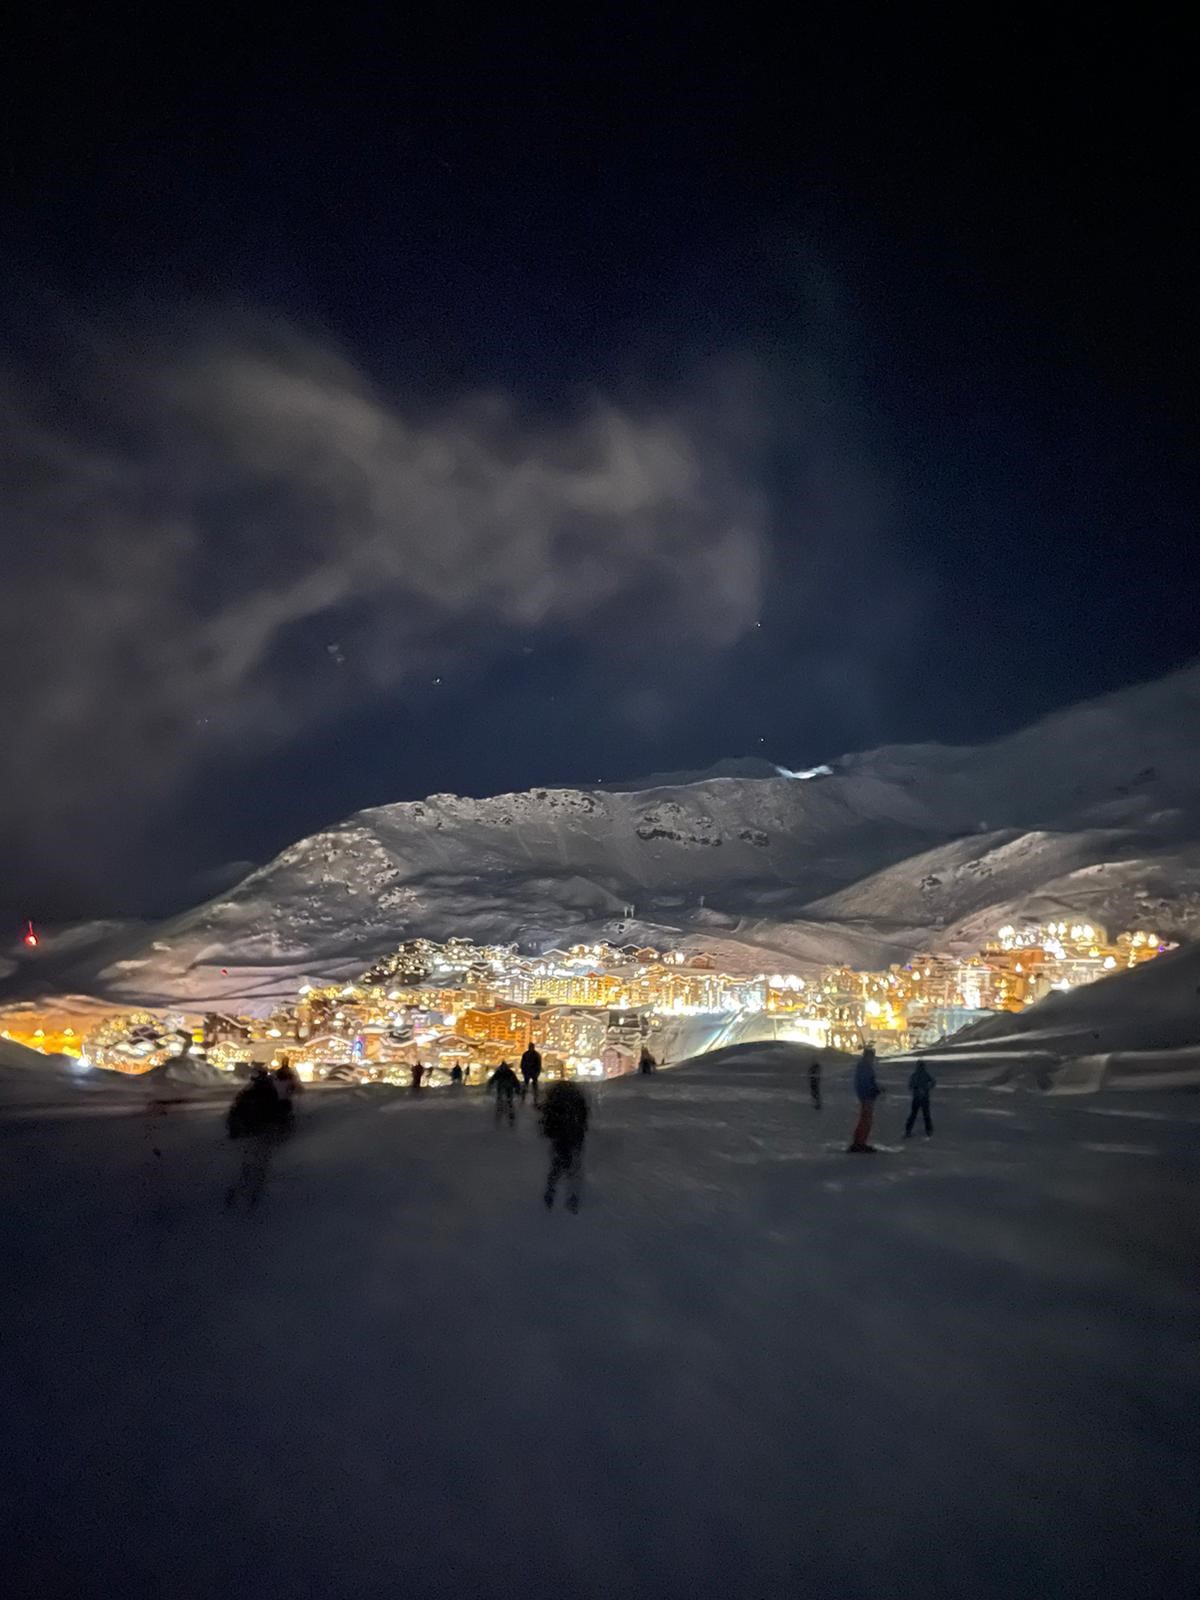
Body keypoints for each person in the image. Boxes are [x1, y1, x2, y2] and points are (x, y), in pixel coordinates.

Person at [225, 1066, 288, 1208]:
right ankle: (254, 1197)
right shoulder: (270, 1093)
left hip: (248, 1134)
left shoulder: (247, 1093)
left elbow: (235, 1112)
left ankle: (239, 1193)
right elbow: (278, 1113)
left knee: (247, 1166)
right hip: (262, 1134)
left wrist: (234, 1131)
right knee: (259, 1167)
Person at [540, 1079, 589, 1212]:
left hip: (560, 1136)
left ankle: (551, 1191)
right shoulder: (577, 1098)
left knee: (557, 1164)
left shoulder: (554, 1100)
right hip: (575, 1135)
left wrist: (548, 1132)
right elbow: (583, 1114)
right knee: (573, 1166)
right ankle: (573, 1196)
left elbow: (547, 1118)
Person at [848, 1043, 883, 1153]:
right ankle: (859, 1143)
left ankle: (860, 1142)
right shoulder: (864, 1067)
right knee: (865, 1120)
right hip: (867, 1096)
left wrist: (876, 1089)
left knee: (866, 1120)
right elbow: (865, 1083)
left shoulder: (865, 1066)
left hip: (868, 1096)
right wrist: (872, 1091)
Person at [905, 1059, 936, 1137]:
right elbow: (933, 1082)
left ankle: (908, 1130)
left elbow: (910, 1086)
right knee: (926, 1114)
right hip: (924, 1097)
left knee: (913, 1114)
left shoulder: (914, 1075)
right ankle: (929, 1130)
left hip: (916, 1098)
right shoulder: (926, 1074)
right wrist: (928, 1087)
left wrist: (916, 1089)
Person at [488, 1060, 520, 1127]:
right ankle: (508, 1117)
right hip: (506, 1089)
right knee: (507, 1103)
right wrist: (517, 1088)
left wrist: (490, 1085)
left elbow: (493, 1079)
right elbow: (515, 1081)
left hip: (505, 1089)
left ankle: (501, 1117)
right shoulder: (508, 1072)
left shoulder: (501, 1072)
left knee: (504, 1103)